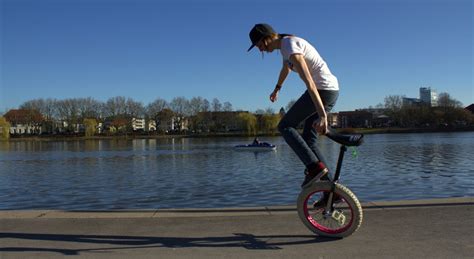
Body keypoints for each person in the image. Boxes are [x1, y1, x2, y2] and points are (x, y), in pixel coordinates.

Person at [247, 23, 339, 190]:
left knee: (285, 125)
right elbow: (286, 69)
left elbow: (310, 83)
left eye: (260, 45)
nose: (260, 50)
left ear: (267, 38)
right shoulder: (285, 48)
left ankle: (313, 169)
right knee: (309, 141)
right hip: (330, 90)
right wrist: (277, 89)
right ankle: (331, 191)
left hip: (321, 90)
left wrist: (323, 115)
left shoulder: (289, 45)